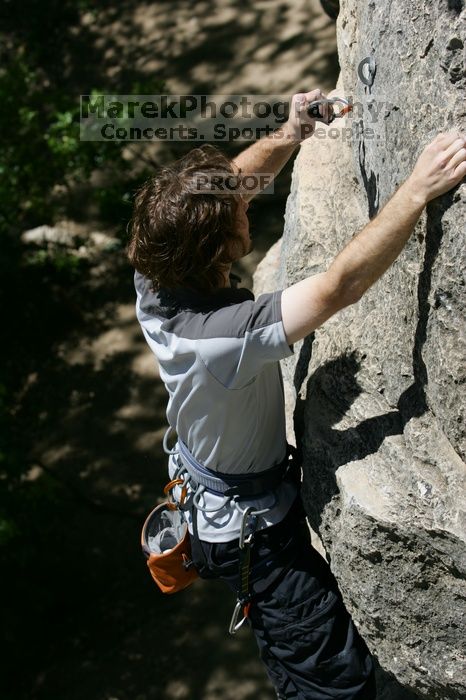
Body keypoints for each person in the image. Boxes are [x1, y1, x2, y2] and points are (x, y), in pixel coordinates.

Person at [127, 88, 466, 699]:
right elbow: (338, 287)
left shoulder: (155, 269)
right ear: (219, 250)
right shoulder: (219, 339)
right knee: (333, 687)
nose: (244, 202)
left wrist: (291, 132)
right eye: (237, 213)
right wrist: (417, 188)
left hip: (219, 495)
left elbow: (228, 185)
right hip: (256, 542)